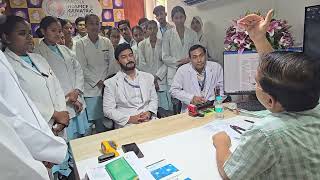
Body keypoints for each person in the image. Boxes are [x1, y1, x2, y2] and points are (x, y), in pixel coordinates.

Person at [212, 9, 320, 179]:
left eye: (256, 82)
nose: (255, 84)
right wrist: (258, 38)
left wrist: (221, 144)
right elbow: (281, 74)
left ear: (270, 101)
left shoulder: (267, 133)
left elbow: (230, 174)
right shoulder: (314, 106)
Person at [0, 9, 67, 171]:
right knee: (44, 168)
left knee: (62, 166)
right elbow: (18, 103)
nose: (29, 37)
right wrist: (53, 114)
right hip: (36, 128)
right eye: (22, 33)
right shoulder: (6, 65)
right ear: (6, 38)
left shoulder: (38, 58)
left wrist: (62, 112)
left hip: (59, 123)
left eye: (30, 33)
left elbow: (56, 86)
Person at [35, 16, 90, 140]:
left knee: (83, 138)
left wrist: (76, 91)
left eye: (59, 31)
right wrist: (69, 97)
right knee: (67, 140)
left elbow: (78, 70)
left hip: (77, 99)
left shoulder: (65, 50)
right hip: (62, 104)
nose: (57, 34)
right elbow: (47, 82)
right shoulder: (37, 54)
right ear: (43, 31)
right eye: (53, 30)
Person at [103, 43, 158, 128]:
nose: (129, 59)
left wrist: (149, 113)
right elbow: (108, 110)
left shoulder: (148, 77)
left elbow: (153, 99)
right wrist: (130, 119)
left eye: (130, 55)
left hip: (149, 119)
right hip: (127, 123)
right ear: (117, 61)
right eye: (124, 57)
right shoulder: (110, 83)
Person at [76, 14, 115, 132]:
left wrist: (107, 81)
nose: (94, 26)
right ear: (86, 26)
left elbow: (112, 62)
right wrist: (98, 81)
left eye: (97, 23)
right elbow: (82, 67)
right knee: (96, 122)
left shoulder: (106, 42)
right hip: (91, 89)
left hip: (107, 85)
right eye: (91, 23)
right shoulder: (80, 44)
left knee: (109, 119)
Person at [162, 6, 199, 113]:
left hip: (189, 70)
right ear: (172, 19)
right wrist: (179, 61)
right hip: (174, 71)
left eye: (181, 17)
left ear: (185, 17)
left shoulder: (192, 34)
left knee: (190, 101)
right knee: (176, 103)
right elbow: (165, 56)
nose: (179, 20)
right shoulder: (167, 34)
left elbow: (197, 51)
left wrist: (189, 60)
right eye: (176, 18)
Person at [170, 44, 223, 112]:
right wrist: (191, 98)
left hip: (213, 107)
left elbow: (223, 88)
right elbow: (173, 90)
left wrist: (215, 102)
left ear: (205, 55)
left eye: (201, 56)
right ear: (190, 59)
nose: (199, 60)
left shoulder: (216, 67)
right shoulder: (182, 70)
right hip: (191, 110)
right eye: (195, 57)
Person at [138, 20, 170, 112]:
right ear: (146, 30)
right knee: (150, 109)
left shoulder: (163, 42)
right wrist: (152, 79)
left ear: (157, 29)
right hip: (148, 80)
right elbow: (142, 64)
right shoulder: (142, 45)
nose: (152, 30)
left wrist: (157, 77)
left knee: (164, 109)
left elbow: (166, 61)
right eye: (150, 28)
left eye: (154, 28)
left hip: (161, 79)